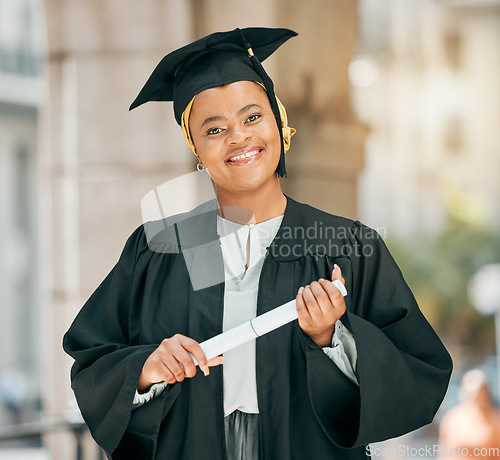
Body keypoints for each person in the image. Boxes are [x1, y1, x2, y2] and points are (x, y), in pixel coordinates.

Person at [63, 27, 453, 460]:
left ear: (280, 123)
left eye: (252, 117)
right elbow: (93, 359)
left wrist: (332, 337)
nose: (238, 137)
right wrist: (146, 369)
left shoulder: (347, 244)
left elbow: (420, 370)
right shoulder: (158, 249)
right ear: (196, 148)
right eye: (214, 129)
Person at [439, 370, 500, 459]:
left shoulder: (494, 419)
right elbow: (444, 451)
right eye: (470, 393)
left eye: (479, 392)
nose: (475, 397)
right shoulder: (452, 418)